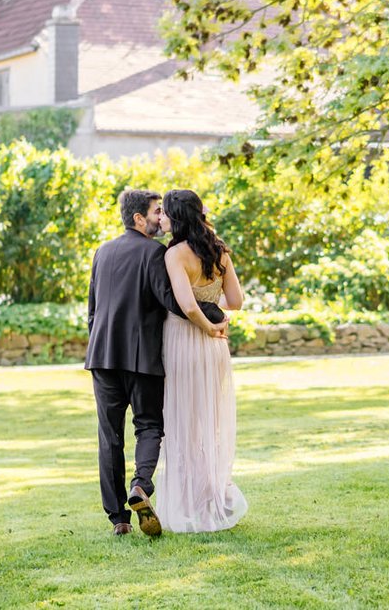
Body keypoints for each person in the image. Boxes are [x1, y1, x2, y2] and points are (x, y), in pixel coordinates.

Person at [85, 189, 227, 537]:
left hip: (102, 357)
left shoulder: (101, 252)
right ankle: (141, 486)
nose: (160, 217)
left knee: (110, 437)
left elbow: (92, 311)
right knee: (149, 426)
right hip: (143, 358)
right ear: (139, 219)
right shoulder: (154, 253)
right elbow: (174, 302)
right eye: (155, 211)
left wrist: (98, 346)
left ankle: (118, 518)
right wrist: (213, 314)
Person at [153, 188, 249, 532]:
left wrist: (207, 326)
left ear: (176, 217)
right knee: (210, 420)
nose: (160, 218)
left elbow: (187, 306)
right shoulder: (219, 251)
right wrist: (216, 321)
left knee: (183, 421)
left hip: (184, 340)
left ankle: (190, 503)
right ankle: (210, 497)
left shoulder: (175, 254)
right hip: (214, 349)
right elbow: (236, 301)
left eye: (164, 212)